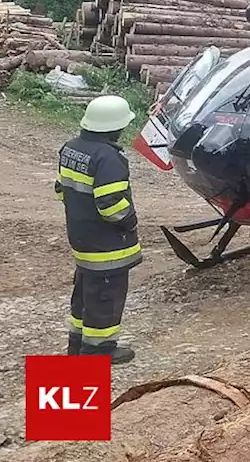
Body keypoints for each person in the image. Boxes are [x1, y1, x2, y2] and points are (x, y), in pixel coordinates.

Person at [56, 95, 141, 364]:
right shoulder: (108, 158)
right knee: (105, 299)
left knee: (84, 295)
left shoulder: (70, 148)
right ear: (115, 127)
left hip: (82, 241)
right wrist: (130, 221)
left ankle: (77, 345)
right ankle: (97, 351)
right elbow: (111, 205)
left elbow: (61, 190)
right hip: (107, 248)